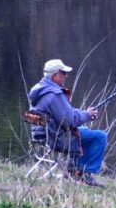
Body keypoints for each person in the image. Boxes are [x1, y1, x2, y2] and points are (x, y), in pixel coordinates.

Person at [27, 58, 107, 186]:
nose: (66, 76)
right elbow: (69, 121)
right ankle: (83, 174)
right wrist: (87, 115)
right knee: (100, 136)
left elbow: (66, 112)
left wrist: (85, 113)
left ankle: (73, 170)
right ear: (54, 76)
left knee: (85, 131)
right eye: (63, 73)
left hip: (41, 135)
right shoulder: (54, 94)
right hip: (55, 138)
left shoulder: (39, 89)